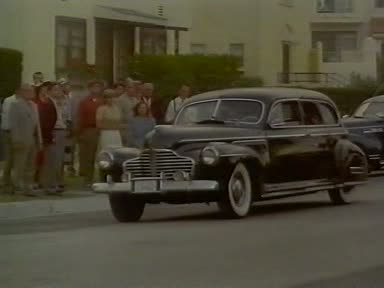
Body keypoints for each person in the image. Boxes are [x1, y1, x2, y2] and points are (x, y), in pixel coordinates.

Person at [9, 84, 42, 196]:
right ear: (23, 92)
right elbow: (14, 124)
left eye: (32, 91)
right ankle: (17, 186)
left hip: (32, 139)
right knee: (20, 165)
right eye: (29, 91)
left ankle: (28, 186)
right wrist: (16, 140)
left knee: (31, 165)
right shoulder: (15, 105)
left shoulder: (34, 105)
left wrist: (39, 139)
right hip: (21, 139)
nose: (32, 93)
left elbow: (37, 124)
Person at [77, 80, 104, 186]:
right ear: (90, 88)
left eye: (98, 87)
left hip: (103, 129)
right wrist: (80, 132)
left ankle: (103, 177)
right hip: (90, 129)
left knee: (102, 155)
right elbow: (81, 117)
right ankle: (88, 178)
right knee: (89, 155)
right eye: (94, 87)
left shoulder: (103, 101)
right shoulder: (84, 102)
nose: (96, 89)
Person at [35, 82, 58, 194]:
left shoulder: (50, 103)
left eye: (46, 90)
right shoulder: (35, 103)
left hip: (48, 134)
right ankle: (36, 182)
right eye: (43, 90)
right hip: (37, 135)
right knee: (37, 160)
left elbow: (54, 116)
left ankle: (47, 183)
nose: (45, 92)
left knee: (48, 160)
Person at [1, 93, 18, 192]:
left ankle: (10, 181)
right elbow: (8, 117)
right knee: (9, 158)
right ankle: (5, 181)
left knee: (14, 159)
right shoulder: (10, 101)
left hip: (14, 131)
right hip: (9, 132)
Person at [118, 81, 139, 146]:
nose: (132, 89)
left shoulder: (136, 100)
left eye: (133, 88)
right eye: (130, 87)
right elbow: (119, 114)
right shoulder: (120, 99)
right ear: (126, 88)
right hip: (124, 128)